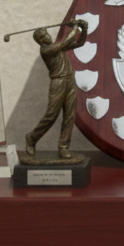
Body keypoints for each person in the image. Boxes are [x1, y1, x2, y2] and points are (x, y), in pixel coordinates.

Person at [25, 20, 89, 158]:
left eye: (46, 33)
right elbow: (66, 41)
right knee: (51, 116)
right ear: (40, 41)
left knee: (69, 116)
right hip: (58, 82)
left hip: (70, 81)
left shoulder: (57, 46)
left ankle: (63, 147)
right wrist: (75, 27)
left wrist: (84, 29)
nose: (46, 36)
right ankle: (32, 137)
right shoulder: (46, 50)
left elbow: (80, 43)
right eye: (43, 36)